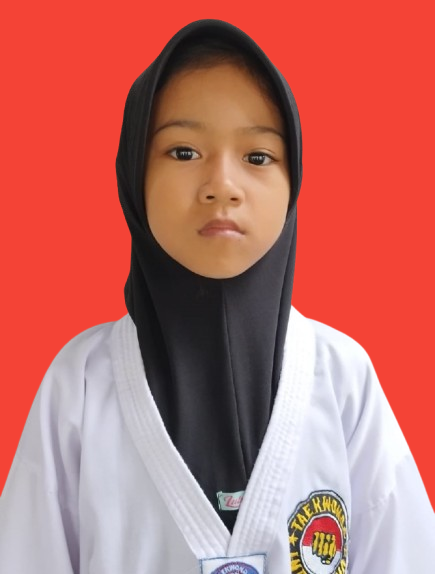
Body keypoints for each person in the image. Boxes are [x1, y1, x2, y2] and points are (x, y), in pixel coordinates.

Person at [0, 18, 433, 574]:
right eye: (183, 152)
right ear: (133, 174)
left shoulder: (343, 378)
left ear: (293, 181)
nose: (222, 185)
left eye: (258, 157)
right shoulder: (80, 385)